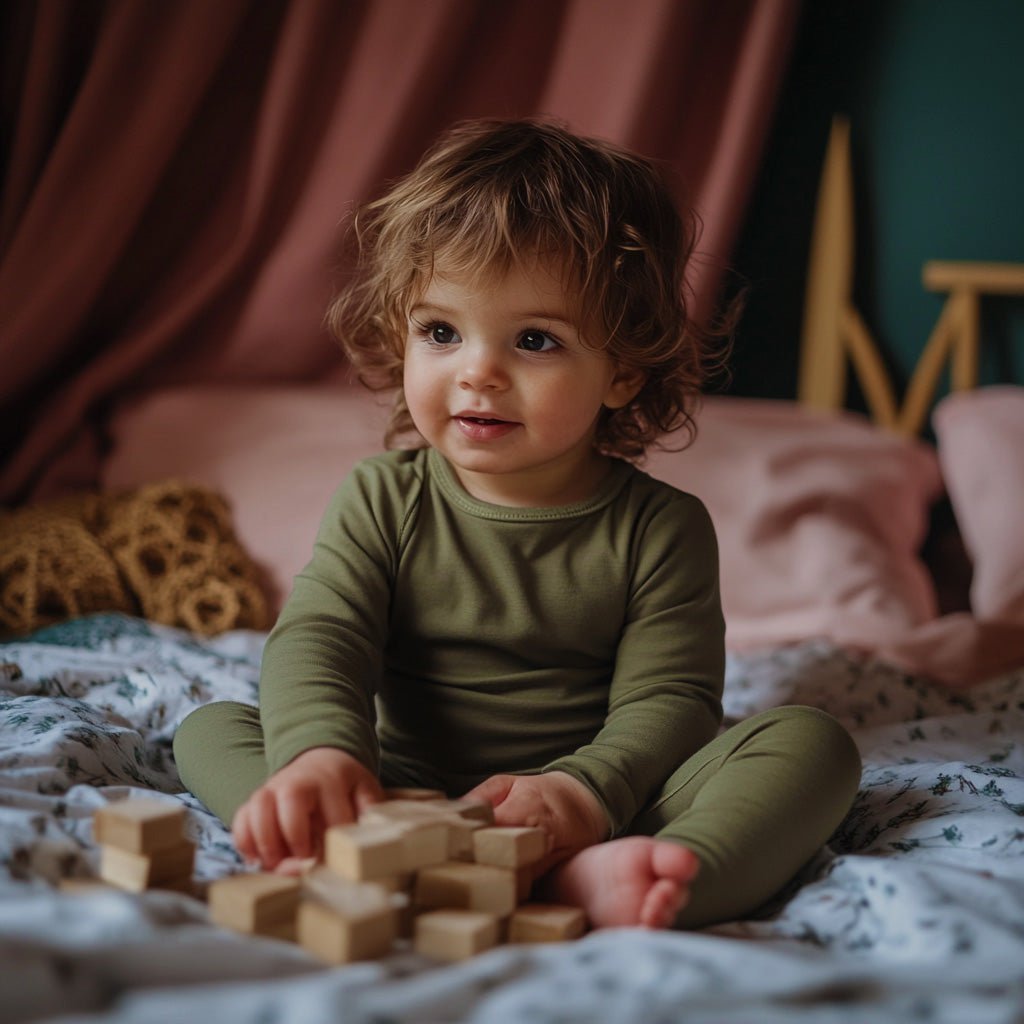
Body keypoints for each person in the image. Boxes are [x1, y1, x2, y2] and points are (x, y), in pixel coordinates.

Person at [174, 118, 861, 930]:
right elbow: (322, 634)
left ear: (623, 372)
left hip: (591, 806)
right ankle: (344, 838)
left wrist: (584, 791)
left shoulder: (661, 529)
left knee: (814, 746)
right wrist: (324, 757)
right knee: (213, 727)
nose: (478, 372)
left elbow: (670, 700)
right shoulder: (381, 498)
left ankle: (621, 884)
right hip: (387, 786)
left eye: (534, 340)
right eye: (440, 331)